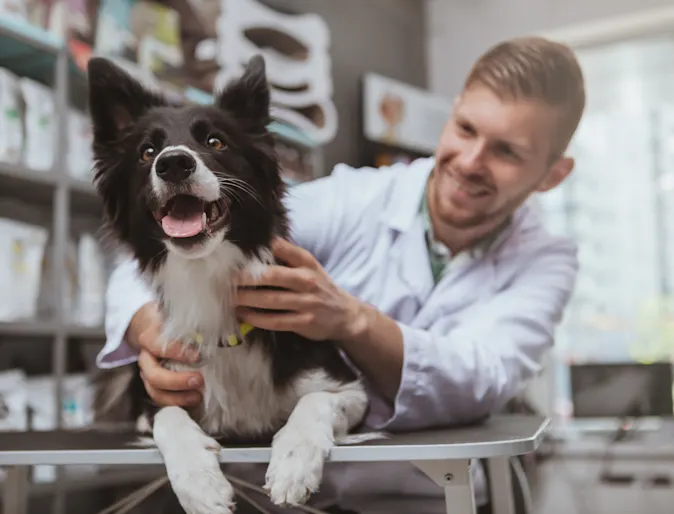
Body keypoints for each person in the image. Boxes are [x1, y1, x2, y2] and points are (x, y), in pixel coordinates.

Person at [97, 36, 585, 514]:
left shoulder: (546, 260)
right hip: (269, 499)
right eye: (465, 129)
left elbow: (481, 376)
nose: (471, 161)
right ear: (453, 111)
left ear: (552, 176)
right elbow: (160, 247)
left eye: (507, 152)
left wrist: (350, 320)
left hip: (427, 499)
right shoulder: (353, 198)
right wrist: (147, 327)